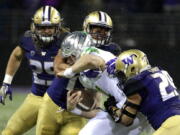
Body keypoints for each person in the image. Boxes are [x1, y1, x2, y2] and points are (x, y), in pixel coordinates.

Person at [57, 31, 145, 135]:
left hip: (132, 102)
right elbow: (97, 110)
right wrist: (73, 108)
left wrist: (68, 72)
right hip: (135, 106)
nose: (68, 62)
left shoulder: (91, 53)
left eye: (69, 57)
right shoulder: (84, 75)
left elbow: (93, 61)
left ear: (76, 52)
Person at [0, 6, 69, 135]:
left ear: (58, 27)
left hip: (59, 101)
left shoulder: (68, 43)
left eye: (50, 27)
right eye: (42, 27)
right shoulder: (28, 40)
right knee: (8, 132)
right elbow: (16, 55)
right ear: (34, 27)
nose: (46, 31)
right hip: (36, 96)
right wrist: (6, 82)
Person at [104, 49, 180, 135]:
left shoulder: (136, 83)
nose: (122, 78)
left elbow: (126, 120)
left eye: (121, 74)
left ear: (131, 68)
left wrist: (111, 108)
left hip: (171, 125)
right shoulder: (161, 72)